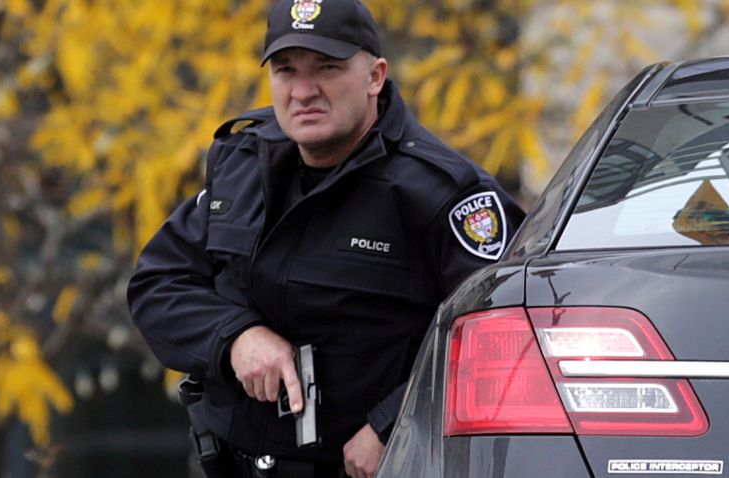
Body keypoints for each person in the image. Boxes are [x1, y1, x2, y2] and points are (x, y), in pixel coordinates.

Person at [127, 0, 525, 476]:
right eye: (285, 70)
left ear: (375, 76)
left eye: (327, 68)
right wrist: (236, 337)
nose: (302, 91)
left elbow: (508, 331)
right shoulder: (243, 164)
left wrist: (394, 428)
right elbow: (158, 282)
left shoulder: (442, 193)